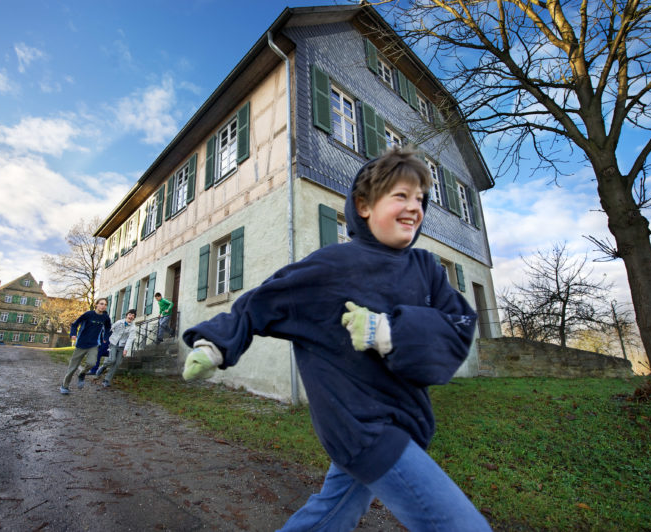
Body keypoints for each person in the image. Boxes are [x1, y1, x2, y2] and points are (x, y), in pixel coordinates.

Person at [181, 147, 491, 531]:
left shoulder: (427, 268)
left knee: (332, 515)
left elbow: (460, 325)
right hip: (362, 427)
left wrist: (388, 332)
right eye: (401, 196)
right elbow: (263, 301)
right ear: (363, 206)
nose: (414, 207)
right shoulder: (334, 265)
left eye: (420, 199)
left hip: (405, 420)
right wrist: (215, 344)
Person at [60, 297, 111, 395]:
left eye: (105, 304)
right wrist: (73, 334)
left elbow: (108, 327)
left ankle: (82, 373)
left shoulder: (105, 317)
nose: (103, 306)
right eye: (101, 304)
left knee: (92, 363)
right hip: (82, 344)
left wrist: (106, 337)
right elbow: (75, 324)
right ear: (96, 304)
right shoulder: (88, 314)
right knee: (72, 367)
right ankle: (64, 386)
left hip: (94, 344)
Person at [96, 308, 137, 387]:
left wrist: (125, 350)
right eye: (130, 315)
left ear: (134, 318)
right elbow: (110, 328)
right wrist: (105, 337)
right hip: (113, 343)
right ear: (126, 315)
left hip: (122, 346)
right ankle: (103, 367)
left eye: (133, 316)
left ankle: (107, 380)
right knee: (112, 360)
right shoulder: (119, 322)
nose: (131, 316)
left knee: (117, 363)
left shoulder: (133, 328)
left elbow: (130, 339)